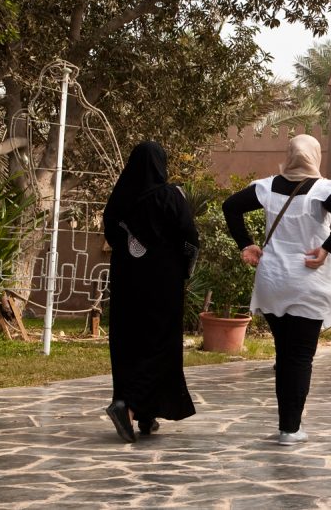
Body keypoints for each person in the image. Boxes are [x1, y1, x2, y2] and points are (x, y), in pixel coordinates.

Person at [222, 134, 331, 446]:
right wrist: (326, 248)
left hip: (273, 281)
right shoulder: (324, 190)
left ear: (290, 155)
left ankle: (287, 425)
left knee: (285, 354)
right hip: (307, 281)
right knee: (299, 356)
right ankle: (290, 428)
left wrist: (247, 244)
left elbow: (230, 206)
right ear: (314, 157)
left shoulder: (267, 187)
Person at [103, 141, 199, 443]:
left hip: (126, 286)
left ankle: (147, 414)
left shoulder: (119, 199)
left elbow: (111, 236)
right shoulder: (170, 196)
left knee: (128, 345)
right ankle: (128, 407)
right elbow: (190, 239)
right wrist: (185, 267)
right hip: (162, 286)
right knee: (159, 346)